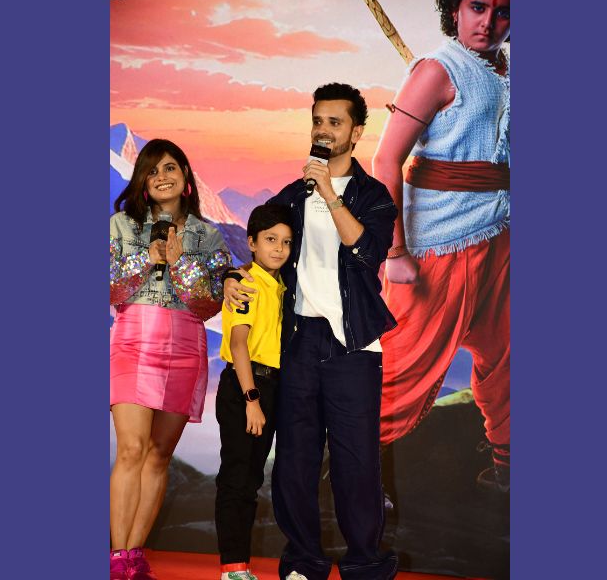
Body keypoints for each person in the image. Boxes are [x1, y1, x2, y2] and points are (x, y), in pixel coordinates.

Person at [224, 83, 398, 580]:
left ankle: (364, 565)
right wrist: (231, 276)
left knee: (356, 464)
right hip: (298, 342)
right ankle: (304, 562)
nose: (323, 131)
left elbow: (367, 254)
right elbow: (259, 251)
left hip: (354, 345)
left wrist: (329, 193)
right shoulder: (290, 197)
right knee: (295, 461)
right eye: (318, 121)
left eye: (334, 123)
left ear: (356, 133)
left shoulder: (372, 196)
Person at [373, 0, 511, 492]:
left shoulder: (506, 73)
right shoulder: (436, 70)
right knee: (403, 364)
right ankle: (342, 477)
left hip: (501, 235)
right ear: (455, 10)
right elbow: (385, 160)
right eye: (477, 7)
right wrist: (395, 250)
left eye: (503, 12)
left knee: (508, 353)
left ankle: (508, 465)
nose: (488, 22)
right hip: (440, 243)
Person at [109, 139, 231, 579]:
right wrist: (148, 256)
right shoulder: (121, 225)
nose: (162, 176)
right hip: (134, 342)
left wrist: (181, 265)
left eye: (170, 168)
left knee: (159, 455)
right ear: (142, 181)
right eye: (152, 170)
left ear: (185, 176)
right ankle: (117, 558)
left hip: (184, 348)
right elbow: (111, 290)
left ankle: (134, 555)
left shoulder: (208, 234)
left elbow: (210, 304)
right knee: (131, 449)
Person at [215, 204, 293, 580]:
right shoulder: (245, 282)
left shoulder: (280, 285)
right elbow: (239, 344)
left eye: (286, 242)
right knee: (237, 478)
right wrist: (252, 400)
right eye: (270, 239)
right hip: (245, 387)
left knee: (251, 480)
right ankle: (232, 568)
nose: (279, 248)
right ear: (252, 243)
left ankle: (239, 566)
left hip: (271, 385)